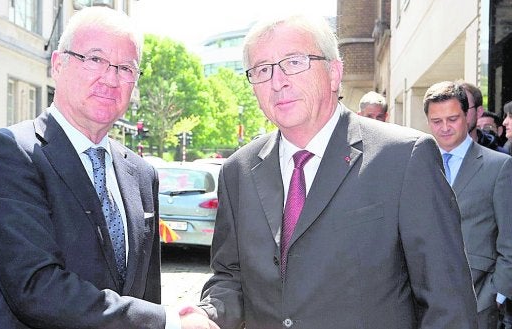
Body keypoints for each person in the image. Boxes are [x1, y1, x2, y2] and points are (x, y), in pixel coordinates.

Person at [189, 13, 478, 329]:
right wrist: (209, 314)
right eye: (262, 70)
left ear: (333, 73)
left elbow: (448, 304)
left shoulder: (405, 158)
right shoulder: (237, 172)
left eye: (294, 62)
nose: (277, 81)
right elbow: (231, 277)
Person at [0, 7, 217, 329]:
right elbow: (35, 288)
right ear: (58, 64)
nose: (110, 78)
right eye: (95, 59)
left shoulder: (141, 173)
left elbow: (144, 293)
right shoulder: (9, 153)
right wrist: (168, 321)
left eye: (126, 67)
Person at [423, 81, 512, 329]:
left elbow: (510, 239)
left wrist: (497, 294)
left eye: (452, 119)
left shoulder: (499, 167)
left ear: (468, 115)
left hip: (479, 300)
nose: (445, 128)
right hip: (425, 302)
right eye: (436, 121)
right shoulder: (415, 166)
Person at [459, 80, 504, 152]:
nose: (457, 115)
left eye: (465, 108)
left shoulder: (501, 158)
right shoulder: (436, 152)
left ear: (479, 112)